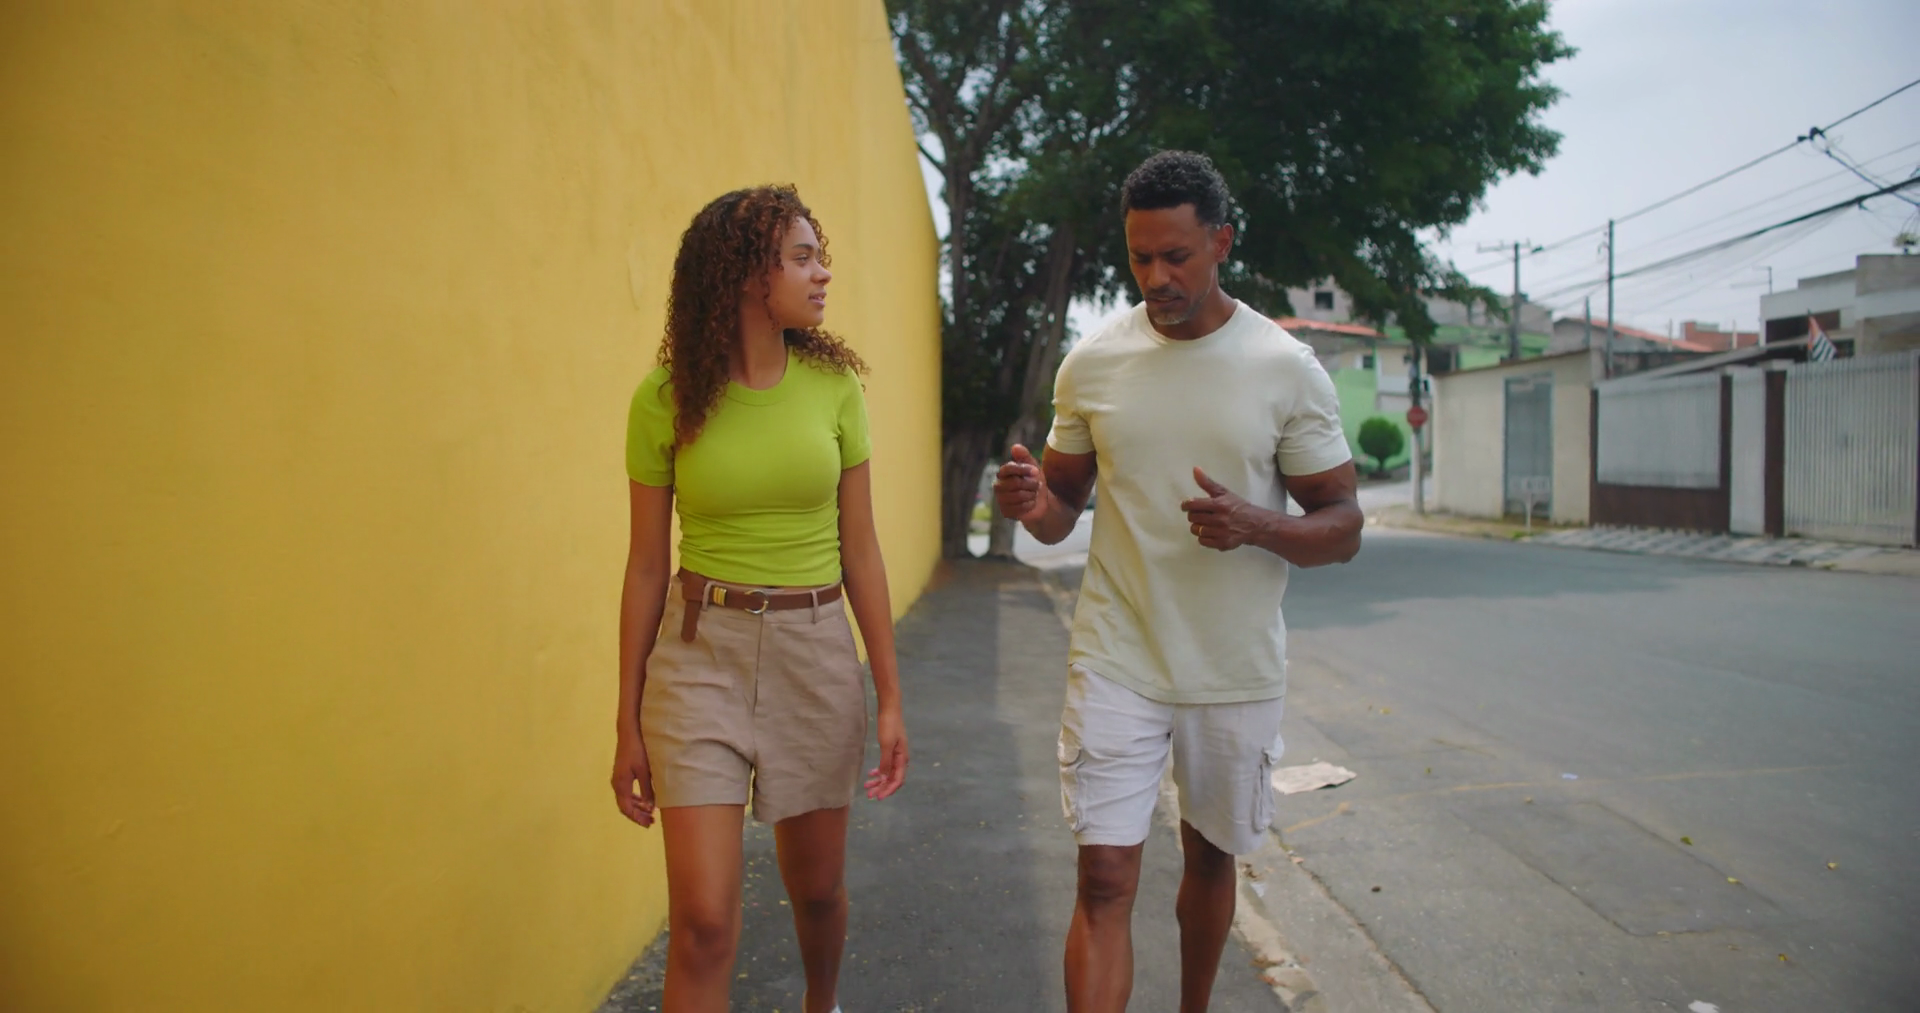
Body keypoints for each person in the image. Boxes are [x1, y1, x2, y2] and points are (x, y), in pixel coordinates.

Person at [993, 150, 1362, 1012]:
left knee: (1209, 856)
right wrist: (1034, 502)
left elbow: (1342, 526)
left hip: (1232, 665)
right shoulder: (1093, 364)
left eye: (1176, 256)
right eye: (1140, 257)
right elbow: (1061, 509)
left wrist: (1257, 525)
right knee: (1103, 874)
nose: (1156, 277)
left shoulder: (1283, 367)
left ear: (1221, 242)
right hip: (1117, 651)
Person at [612, 184, 909, 1013]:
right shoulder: (664, 399)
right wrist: (626, 718)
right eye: (802, 257)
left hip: (813, 652)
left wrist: (890, 694)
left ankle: (822, 1001)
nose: (822, 274)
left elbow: (861, 549)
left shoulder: (835, 387)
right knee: (704, 922)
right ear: (747, 273)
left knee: (816, 892)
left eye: (820, 257)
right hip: (698, 655)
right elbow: (646, 566)